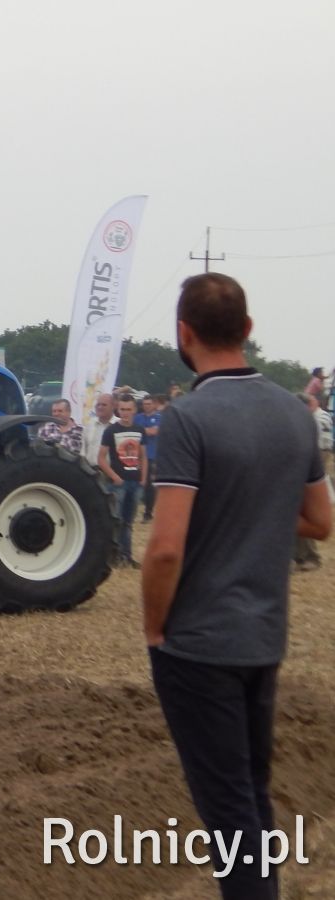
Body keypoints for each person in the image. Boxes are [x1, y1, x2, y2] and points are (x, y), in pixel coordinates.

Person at [142, 273, 331, 899]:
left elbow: (165, 547)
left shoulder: (187, 419)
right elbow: (321, 522)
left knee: (228, 818)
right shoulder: (294, 414)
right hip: (263, 637)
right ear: (248, 330)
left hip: (198, 643)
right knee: (251, 797)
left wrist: (154, 627)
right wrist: (255, 511)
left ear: (183, 333)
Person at [99, 395, 146, 568]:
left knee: (128, 522)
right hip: (118, 482)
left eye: (128, 409)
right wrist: (114, 476)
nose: (125, 413)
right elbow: (101, 458)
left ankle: (127, 556)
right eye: (122, 409)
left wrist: (143, 477)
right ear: (118, 410)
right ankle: (113, 555)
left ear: (134, 410)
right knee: (116, 521)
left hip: (135, 481)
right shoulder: (111, 431)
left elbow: (143, 456)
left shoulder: (140, 430)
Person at [293, 392, 330, 572]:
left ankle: (309, 557)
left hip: (305, 469)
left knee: (298, 513)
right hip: (307, 466)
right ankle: (297, 557)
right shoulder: (316, 417)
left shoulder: (309, 421)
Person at [134, 394, 163, 523]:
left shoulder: (159, 418)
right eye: (144, 404)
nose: (146, 407)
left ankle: (148, 512)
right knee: (135, 482)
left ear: (154, 404)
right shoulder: (138, 417)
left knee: (149, 486)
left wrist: (140, 430)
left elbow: (154, 432)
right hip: (136, 456)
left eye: (149, 404)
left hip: (152, 455)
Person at [80, 392, 115, 470]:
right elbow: (83, 451)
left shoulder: (118, 425)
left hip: (111, 473)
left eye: (104, 405)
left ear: (113, 406)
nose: (100, 407)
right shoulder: (89, 424)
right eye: (98, 404)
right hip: (89, 471)